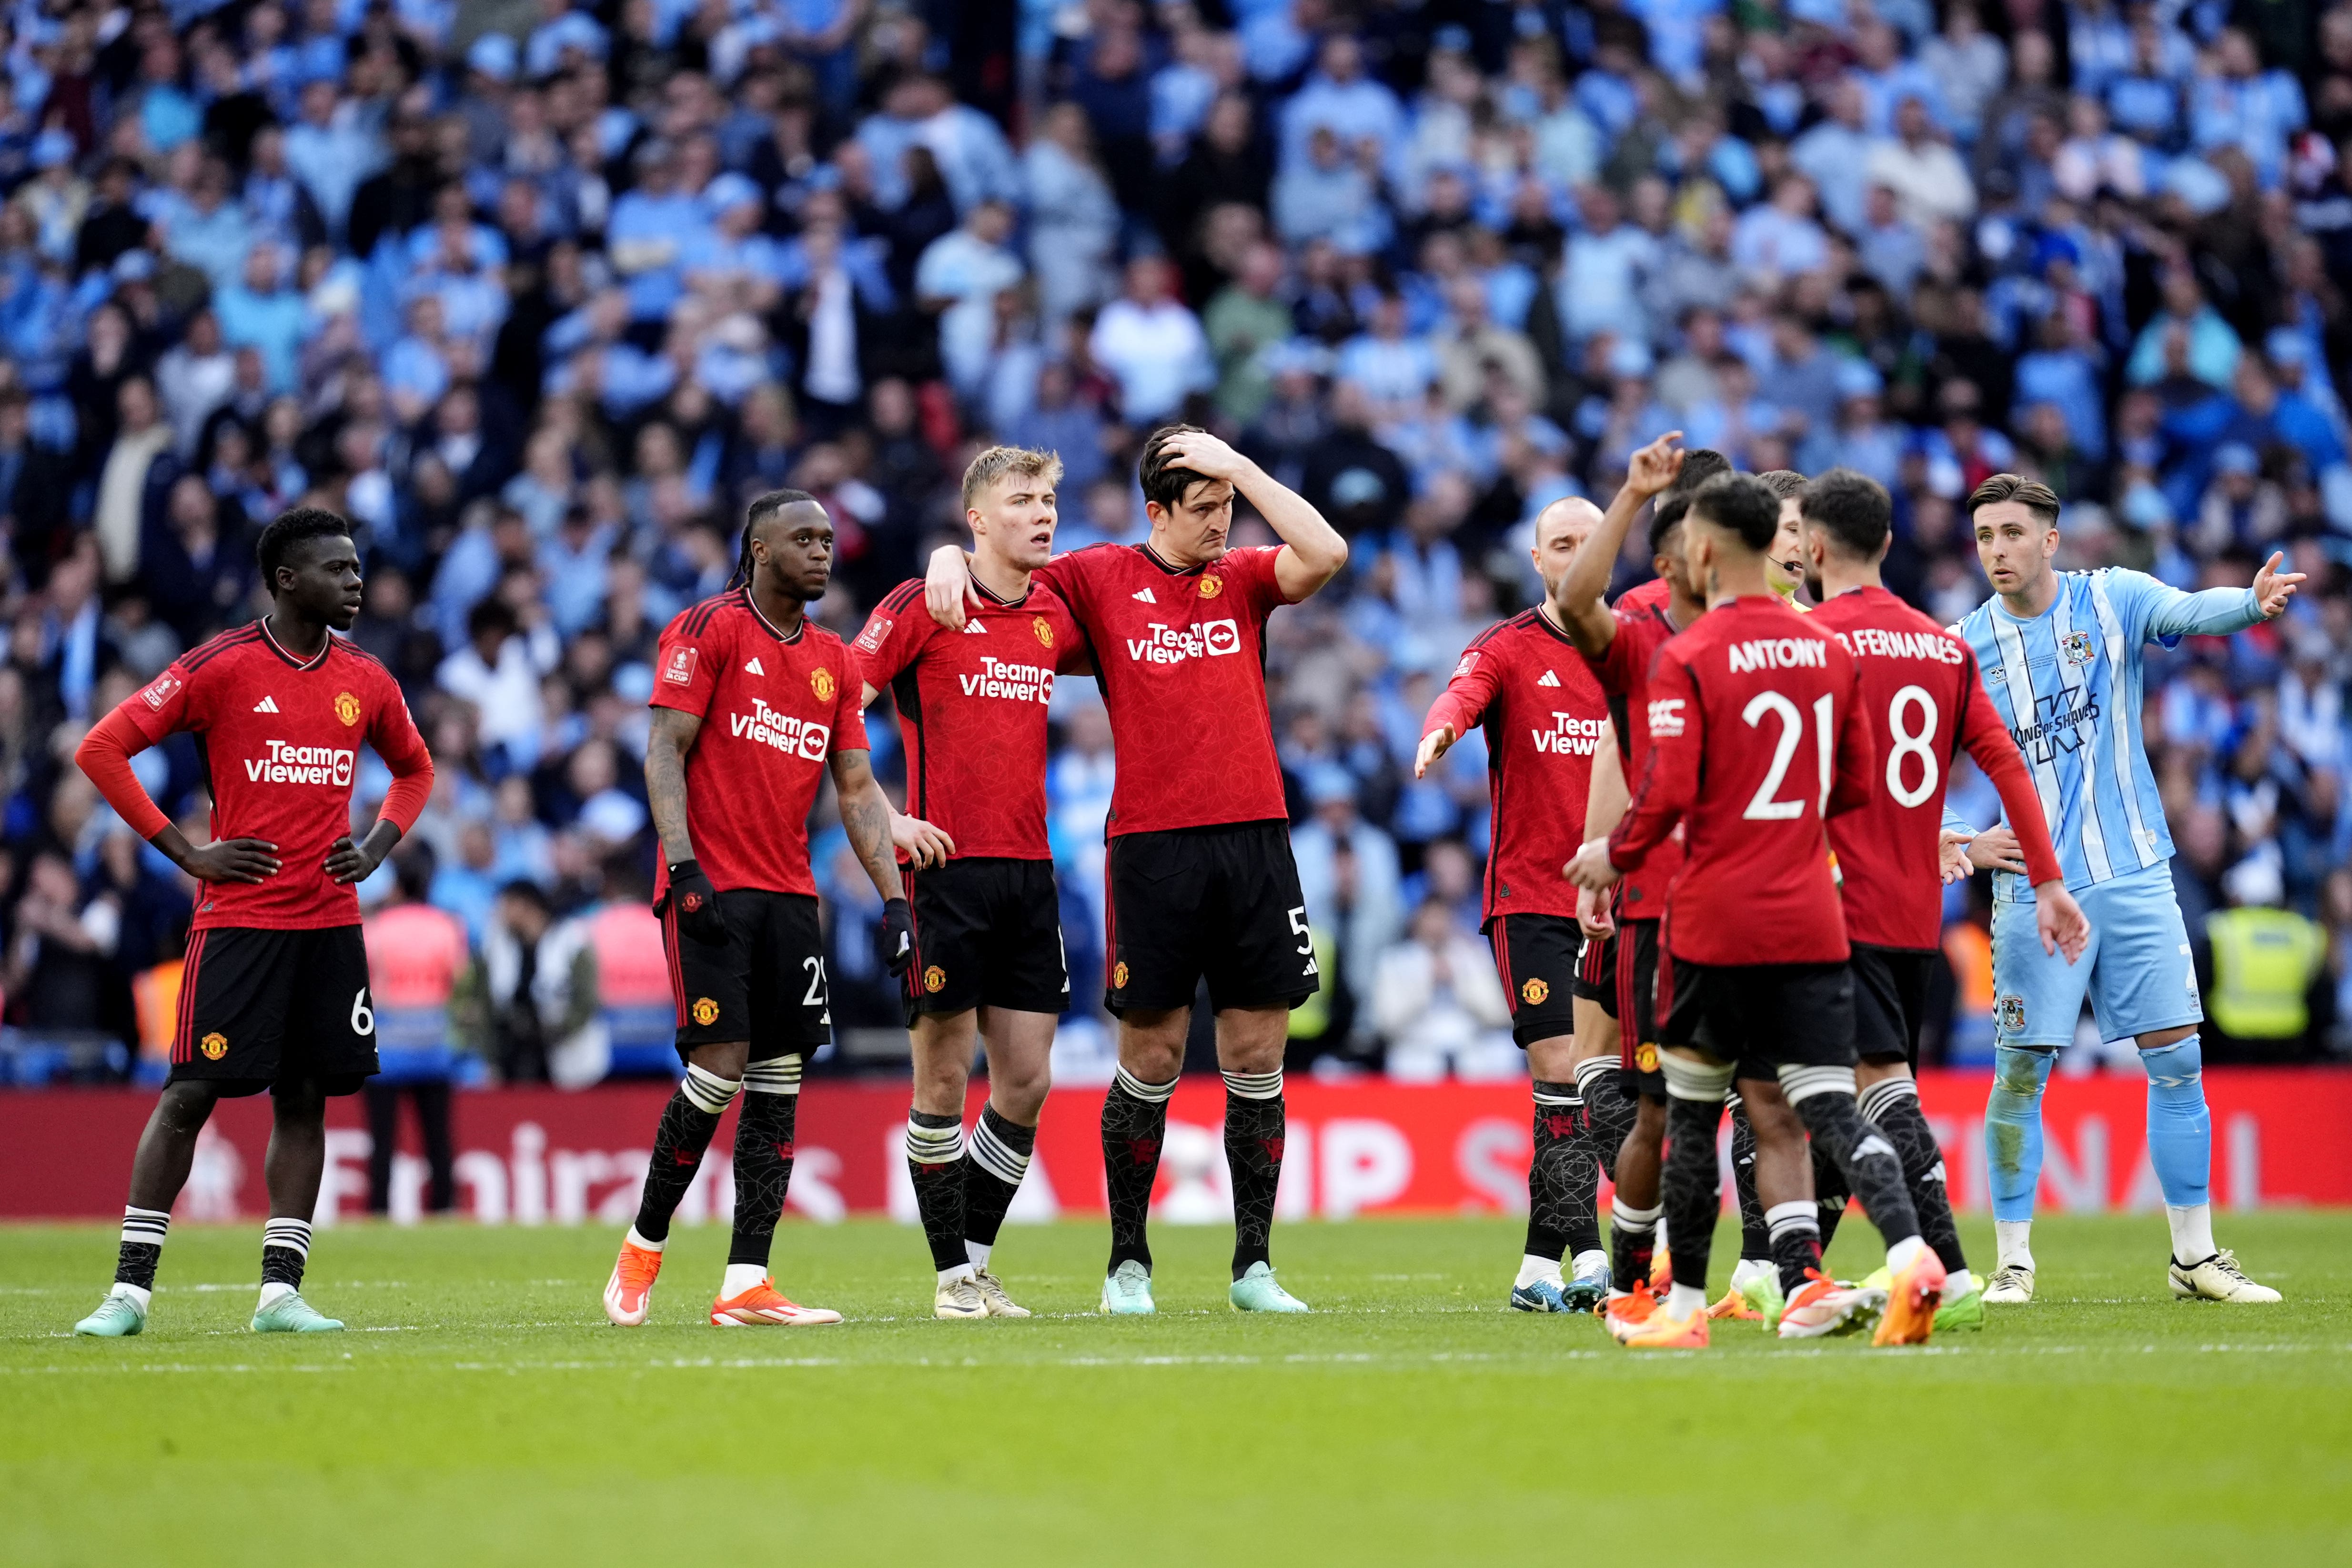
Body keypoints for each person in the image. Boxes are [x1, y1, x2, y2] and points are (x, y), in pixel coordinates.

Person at [923, 425, 1348, 1315]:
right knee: (1150, 1056)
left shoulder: (1242, 580)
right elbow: (1002, 580)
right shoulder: (1098, 577)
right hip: (1153, 847)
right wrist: (941, 559)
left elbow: (1326, 551)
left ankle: (1254, 1268)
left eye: (1227, 507)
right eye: (1203, 510)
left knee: (1256, 1052)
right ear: (1155, 511)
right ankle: (1127, 1265)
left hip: (1255, 840)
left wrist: (1242, 467)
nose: (1221, 524)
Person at [1565, 472, 1945, 1350]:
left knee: (1692, 1114)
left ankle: (1686, 1310)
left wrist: (1609, 857)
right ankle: (1913, 1253)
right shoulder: (1827, 648)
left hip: (1712, 919)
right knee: (1828, 1109)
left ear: (1700, 549)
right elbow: (1853, 786)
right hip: (1813, 916)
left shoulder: (1691, 657)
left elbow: (1668, 794)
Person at [68, 507, 434, 1336]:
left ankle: (280, 1294)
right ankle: (128, 1293)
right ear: (286, 580)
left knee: (305, 1099)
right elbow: (101, 747)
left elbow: (414, 768)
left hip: (330, 924)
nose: (355, 582)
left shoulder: (367, 678)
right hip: (239, 922)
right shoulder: (222, 666)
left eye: (356, 567)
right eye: (337, 570)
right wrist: (187, 853)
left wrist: (376, 846)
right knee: (190, 1092)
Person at [1948, 474, 2299, 1305]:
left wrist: (2248, 604)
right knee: (2022, 1072)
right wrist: (1955, 840)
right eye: (1983, 535)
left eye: (2009, 532)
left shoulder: (2111, 598)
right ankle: (2013, 1265)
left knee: (2176, 1059)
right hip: (2034, 890)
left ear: (2050, 539)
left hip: (2136, 870)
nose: (1995, 549)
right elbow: (1905, 755)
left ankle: (2194, 1257)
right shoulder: (1961, 646)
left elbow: (2185, 611)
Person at [602, 489, 914, 1330]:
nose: (822, 550)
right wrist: (681, 865)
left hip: (789, 898)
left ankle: (746, 1282)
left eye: (827, 538)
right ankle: (643, 1244)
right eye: (802, 538)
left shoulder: (836, 661)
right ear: (758, 548)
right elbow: (663, 751)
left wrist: (893, 899)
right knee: (718, 1066)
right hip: (711, 885)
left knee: (779, 1081)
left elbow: (854, 787)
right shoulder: (707, 630)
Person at [1788, 467, 2089, 1332]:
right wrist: (2047, 881)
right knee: (1857, 1088)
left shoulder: (1810, 641)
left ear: (1811, 548)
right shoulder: (1944, 647)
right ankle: (1801, 1268)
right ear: (1887, 544)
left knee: (1846, 1092)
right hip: (1915, 913)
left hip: (1827, 905)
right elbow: (2007, 766)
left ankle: (1931, 1267)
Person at [855, 446, 1089, 1318]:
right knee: (943, 1083)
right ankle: (951, 1277)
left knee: (1025, 1082)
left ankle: (976, 1262)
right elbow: (835, 699)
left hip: (1031, 876)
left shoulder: (1053, 612)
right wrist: (885, 816)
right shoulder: (924, 603)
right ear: (978, 518)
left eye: (1051, 500)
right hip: (944, 873)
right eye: (1023, 500)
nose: (1044, 514)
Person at [1414, 495, 1615, 1312]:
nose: (1572, 555)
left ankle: (1538, 1265)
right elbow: (1459, 695)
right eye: (1559, 544)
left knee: (1600, 1083)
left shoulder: (1635, 650)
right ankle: (1595, 1258)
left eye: (1587, 542)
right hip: (1532, 897)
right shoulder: (1507, 647)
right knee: (1561, 1071)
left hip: (1619, 899)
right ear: (1537, 560)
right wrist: (1440, 730)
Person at [1545, 437, 1724, 1321]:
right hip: (1670, 900)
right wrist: (1605, 858)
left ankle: (1764, 1272)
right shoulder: (1647, 620)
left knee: (1735, 1102)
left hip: (1717, 902)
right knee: (1678, 1105)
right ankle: (1653, 1281)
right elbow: (1620, 737)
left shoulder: (1777, 622)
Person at [362, 849, 470, 1214]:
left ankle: (378, 1208)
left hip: (387, 1048)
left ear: (395, 886)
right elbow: (460, 983)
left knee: (382, 1139)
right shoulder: (447, 925)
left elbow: (364, 987)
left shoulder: (375, 928)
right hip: (433, 1045)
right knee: (438, 1136)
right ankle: (444, 1205)